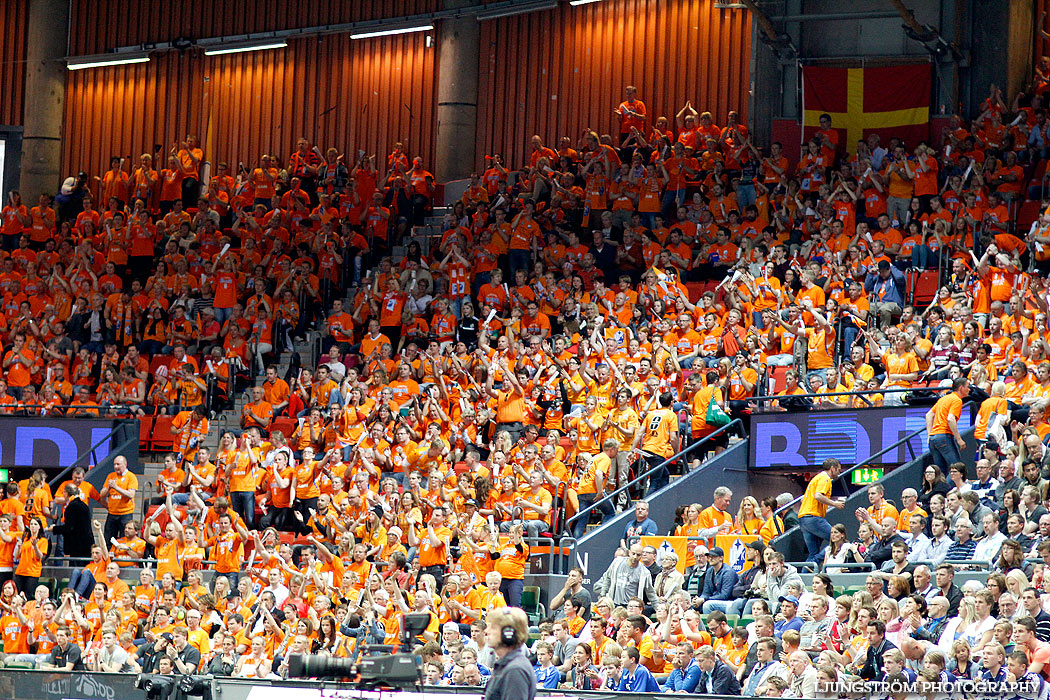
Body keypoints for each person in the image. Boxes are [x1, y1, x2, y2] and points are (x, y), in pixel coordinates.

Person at [798, 457, 847, 562]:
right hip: (813, 517)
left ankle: (806, 573)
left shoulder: (816, 478)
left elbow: (804, 499)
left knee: (812, 554)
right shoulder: (825, 479)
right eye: (838, 470)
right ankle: (817, 560)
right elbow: (818, 496)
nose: (839, 473)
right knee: (838, 539)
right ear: (832, 468)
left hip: (803, 519)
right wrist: (835, 504)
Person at [483, 607, 535, 700]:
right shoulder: (507, 665)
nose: (486, 631)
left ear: (508, 633)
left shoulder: (515, 670)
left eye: (493, 627)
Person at [926, 377, 970, 476]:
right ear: (961, 388)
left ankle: (941, 491)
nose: (969, 389)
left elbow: (928, 415)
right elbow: (950, 419)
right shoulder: (957, 400)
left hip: (933, 438)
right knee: (957, 469)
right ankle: (950, 491)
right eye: (968, 386)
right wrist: (959, 439)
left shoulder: (944, 398)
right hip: (944, 436)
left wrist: (929, 435)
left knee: (940, 472)